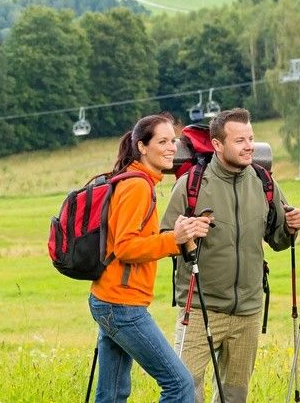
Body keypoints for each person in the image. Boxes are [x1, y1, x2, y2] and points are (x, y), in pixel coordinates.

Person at [159, 107, 300, 403]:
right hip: (200, 308)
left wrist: (291, 228)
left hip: (248, 310)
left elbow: (278, 241)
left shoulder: (264, 182)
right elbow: (164, 239)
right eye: (239, 140)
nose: (249, 145)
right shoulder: (191, 185)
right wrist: (184, 234)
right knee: (186, 389)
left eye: (250, 138)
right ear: (217, 144)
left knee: (235, 396)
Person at [90, 113, 211, 403]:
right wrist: (175, 239)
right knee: (180, 386)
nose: (172, 148)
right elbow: (127, 248)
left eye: (174, 141)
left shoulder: (136, 181)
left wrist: (177, 237)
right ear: (142, 147)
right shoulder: (137, 186)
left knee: (112, 395)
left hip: (110, 299)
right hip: (122, 305)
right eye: (163, 141)